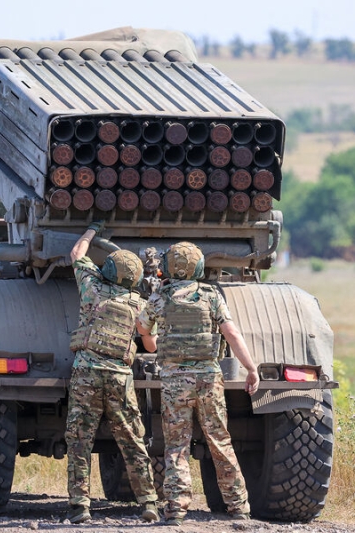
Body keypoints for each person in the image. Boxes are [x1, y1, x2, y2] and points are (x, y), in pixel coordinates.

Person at [135, 241, 260, 526]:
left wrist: (150, 339)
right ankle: (238, 506)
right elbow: (232, 333)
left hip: (175, 383)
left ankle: (176, 510)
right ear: (199, 267)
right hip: (208, 381)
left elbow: (143, 329)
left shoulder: (160, 298)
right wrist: (251, 369)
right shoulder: (210, 296)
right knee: (220, 442)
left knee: (176, 446)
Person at [64, 221, 159, 524]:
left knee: (80, 439)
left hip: (86, 373)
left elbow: (77, 253)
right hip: (120, 376)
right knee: (132, 439)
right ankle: (148, 503)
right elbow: (152, 345)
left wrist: (93, 230)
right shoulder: (139, 305)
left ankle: (80, 506)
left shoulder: (91, 288)